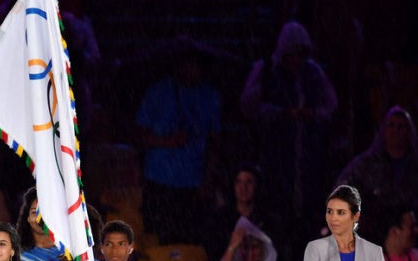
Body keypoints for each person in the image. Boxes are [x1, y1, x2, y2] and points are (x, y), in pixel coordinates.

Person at [240, 21, 338, 236]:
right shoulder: (266, 70)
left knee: (306, 215)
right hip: (274, 152)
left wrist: (309, 114)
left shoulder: (314, 73)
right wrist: (281, 113)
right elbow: (248, 106)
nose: (295, 59)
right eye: (291, 53)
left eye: (299, 53)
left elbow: (330, 106)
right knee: (275, 209)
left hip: (307, 155)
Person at [135, 49, 221, 244]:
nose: (192, 71)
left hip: (193, 184)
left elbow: (215, 142)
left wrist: (208, 179)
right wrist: (166, 141)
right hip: (160, 182)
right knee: (160, 242)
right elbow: (138, 135)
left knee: (189, 243)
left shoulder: (210, 96)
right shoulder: (157, 93)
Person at [336, 106, 418, 237]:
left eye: (401, 126)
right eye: (391, 125)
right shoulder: (365, 163)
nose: (396, 131)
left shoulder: (414, 165)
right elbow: (343, 189)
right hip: (373, 229)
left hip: (408, 229)